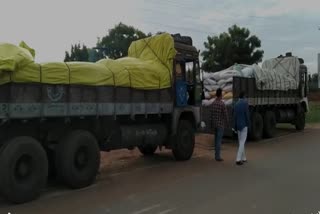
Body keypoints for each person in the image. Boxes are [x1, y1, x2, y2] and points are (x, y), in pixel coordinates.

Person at [211, 88, 228, 161]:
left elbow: (211, 115)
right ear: (220, 94)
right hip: (220, 125)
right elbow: (225, 115)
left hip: (214, 124)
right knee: (218, 141)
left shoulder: (213, 103)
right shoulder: (222, 104)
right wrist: (227, 123)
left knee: (215, 140)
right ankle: (217, 156)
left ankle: (216, 155)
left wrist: (211, 123)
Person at [234, 91, 250, 165]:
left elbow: (234, 116)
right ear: (243, 96)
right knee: (242, 142)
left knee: (240, 141)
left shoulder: (236, 104)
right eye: (245, 96)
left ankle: (244, 158)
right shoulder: (245, 104)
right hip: (244, 125)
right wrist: (249, 124)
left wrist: (234, 127)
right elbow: (247, 115)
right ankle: (238, 159)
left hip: (238, 126)